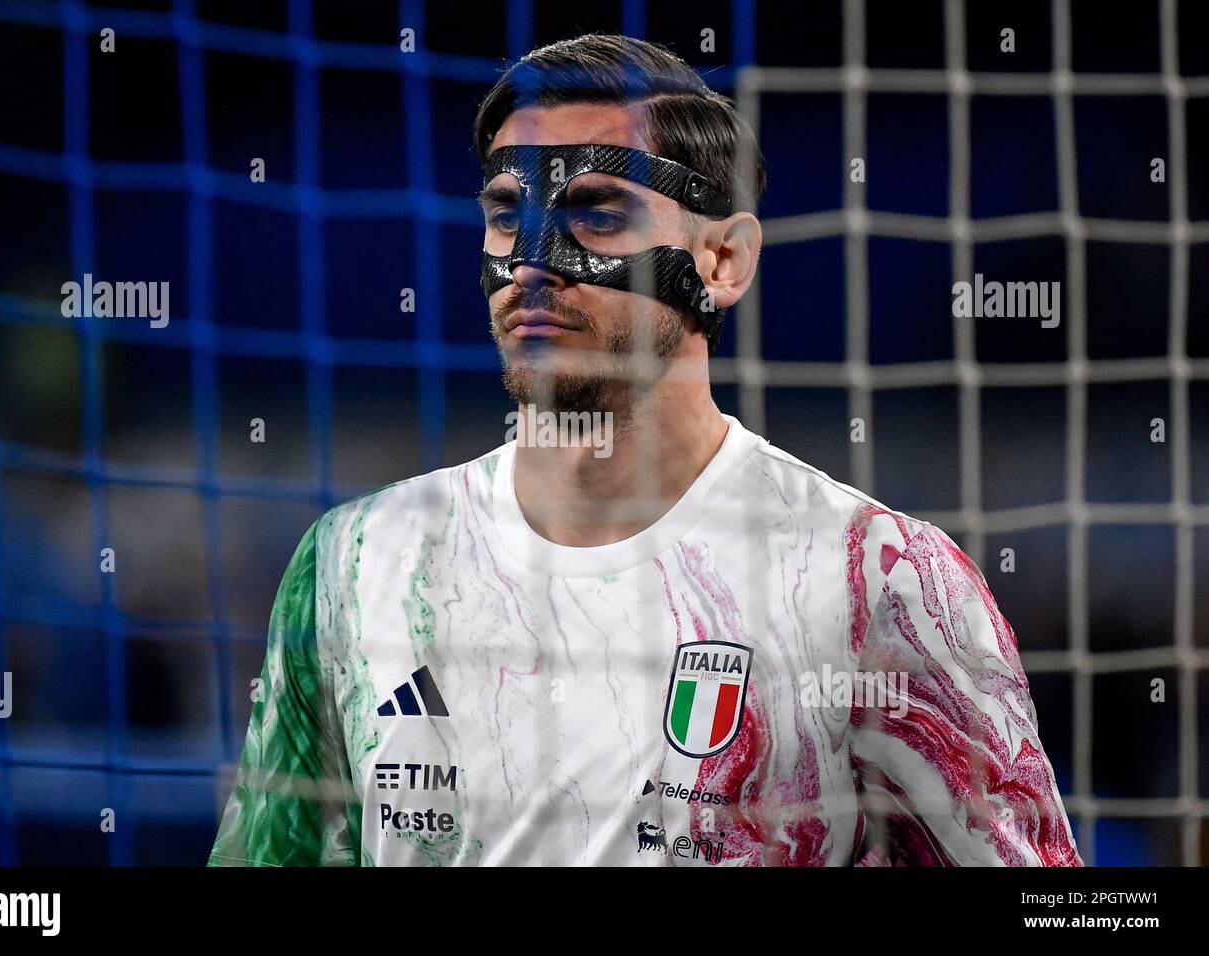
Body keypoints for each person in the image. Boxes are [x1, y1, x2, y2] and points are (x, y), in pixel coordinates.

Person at [208, 33, 1080, 867]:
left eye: (596, 212)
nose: (530, 263)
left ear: (724, 261)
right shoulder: (356, 563)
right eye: (507, 215)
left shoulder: (876, 583)